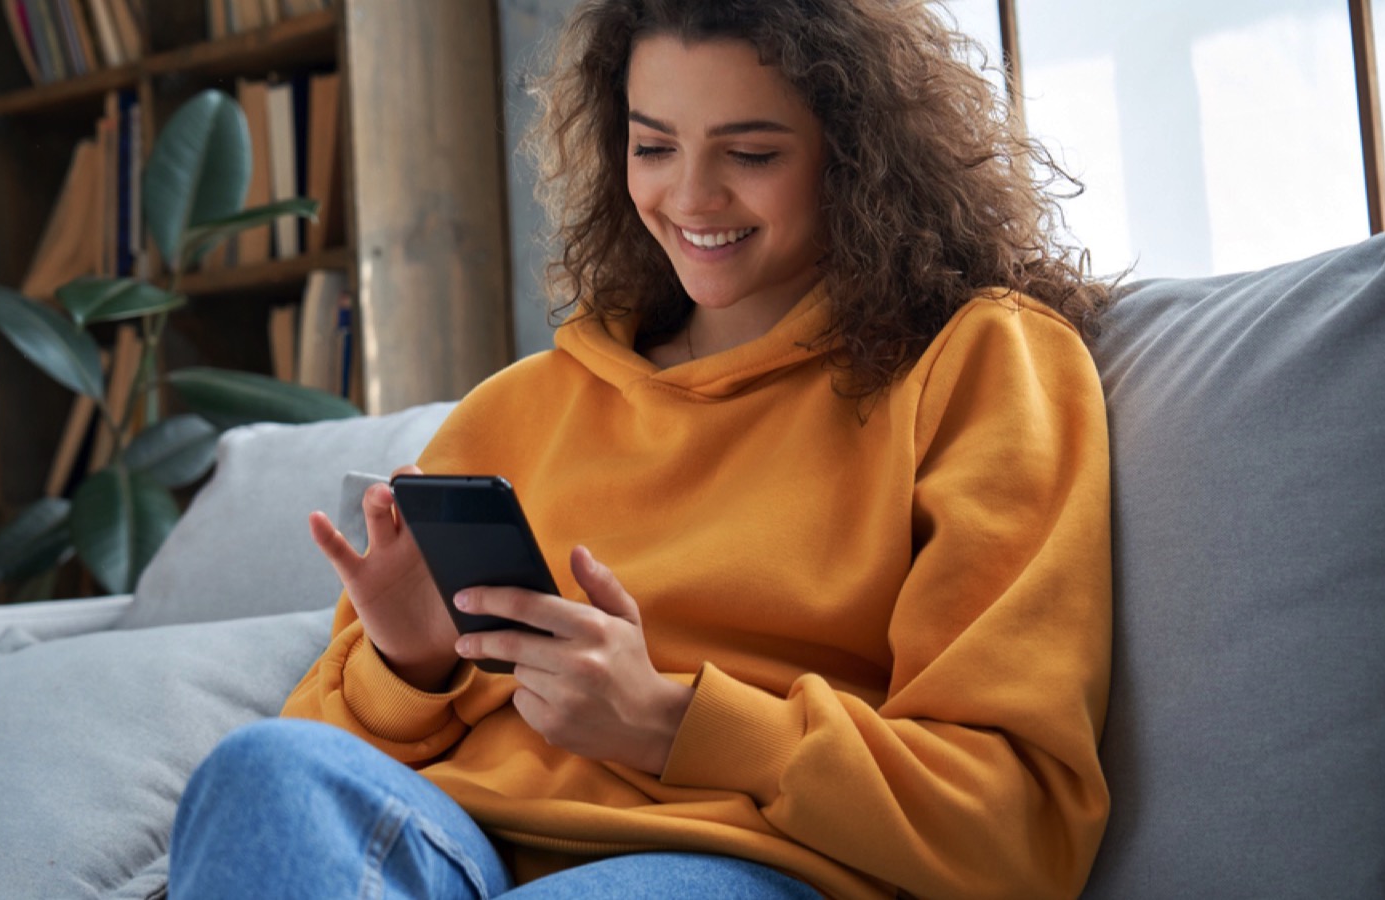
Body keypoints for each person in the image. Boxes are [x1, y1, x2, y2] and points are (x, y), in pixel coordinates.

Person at [168, 0, 1116, 897]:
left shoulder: (979, 361)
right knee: (263, 769)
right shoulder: (521, 405)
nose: (691, 196)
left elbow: (1017, 825)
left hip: (731, 857)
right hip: (452, 840)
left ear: (857, 157)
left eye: (750, 151)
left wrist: (670, 721)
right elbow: (312, 789)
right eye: (654, 145)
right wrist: (410, 667)